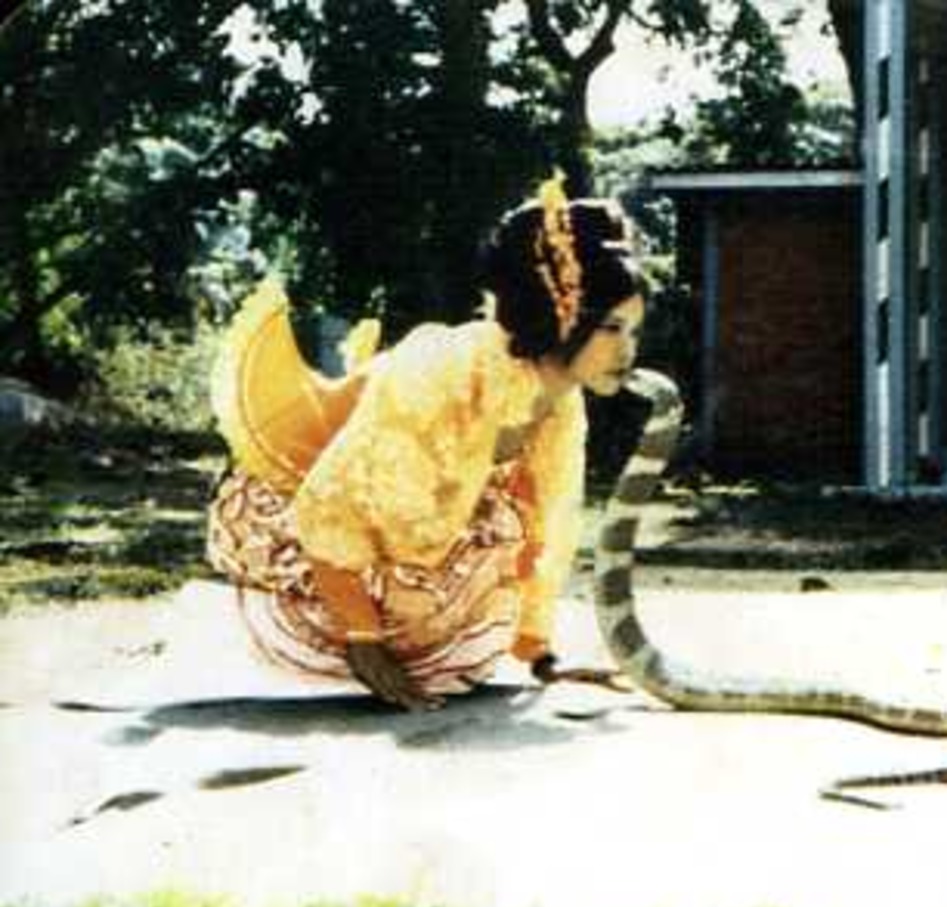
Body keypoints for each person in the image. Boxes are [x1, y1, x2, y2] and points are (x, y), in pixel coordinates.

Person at [206, 177, 645, 710]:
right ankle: (329, 639)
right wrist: (363, 639)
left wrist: (540, 657)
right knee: (429, 615)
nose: (628, 351)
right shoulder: (450, 370)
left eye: (634, 331)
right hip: (298, 516)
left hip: (386, 539)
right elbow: (330, 509)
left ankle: (387, 637)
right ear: (563, 319)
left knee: (488, 569)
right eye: (611, 328)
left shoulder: (559, 403)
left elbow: (541, 532)